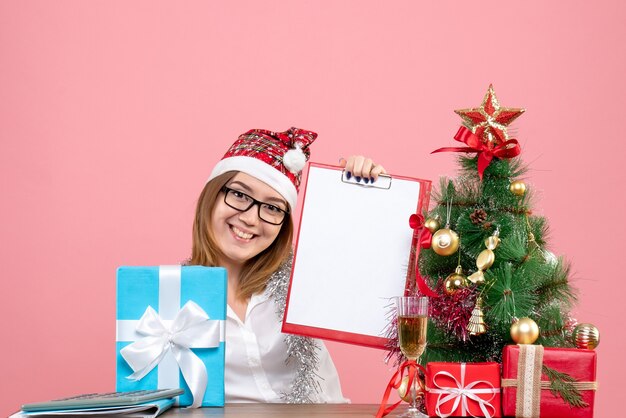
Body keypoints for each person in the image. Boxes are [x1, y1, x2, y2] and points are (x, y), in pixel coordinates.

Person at [188, 127, 386, 403]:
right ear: (212, 196)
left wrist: (368, 192)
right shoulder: (172, 298)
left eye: (272, 207)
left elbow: (368, 263)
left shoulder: (304, 278)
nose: (251, 219)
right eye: (240, 195)